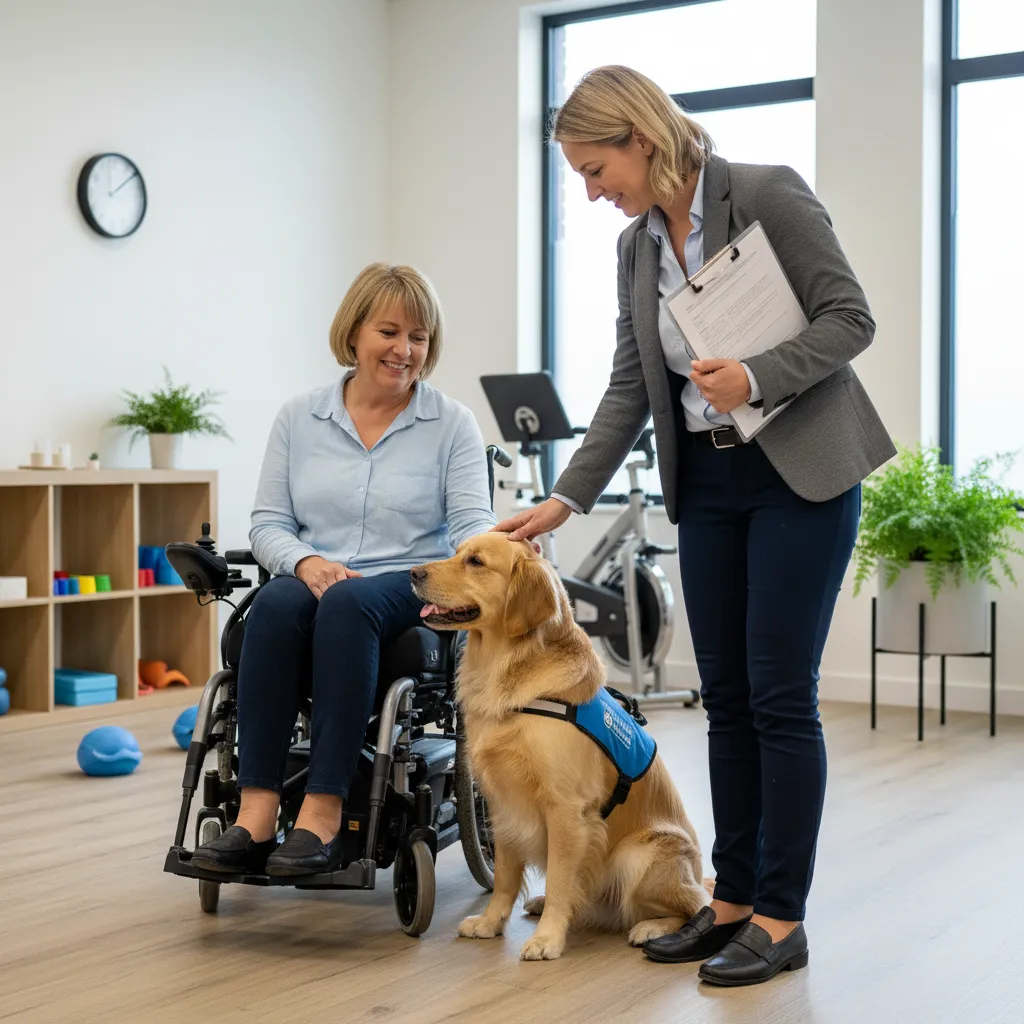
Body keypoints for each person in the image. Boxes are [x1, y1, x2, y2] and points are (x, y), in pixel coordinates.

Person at [495, 66, 895, 987]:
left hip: (798, 474)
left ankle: (783, 918)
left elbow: (851, 319)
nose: (594, 194)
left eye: (597, 170)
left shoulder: (764, 193)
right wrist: (564, 500)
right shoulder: (639, 247)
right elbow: (632, 386)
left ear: (640, 137)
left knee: (780, 695)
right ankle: (730, 902)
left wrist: (756, 376)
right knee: (728, 699)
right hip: (709, 484)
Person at [193, 263, 495, 878]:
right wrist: (304, 562)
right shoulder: (299, 418)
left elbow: (469, 525)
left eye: (419, 337)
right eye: (390, 331)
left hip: (408, 585)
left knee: (349, 604)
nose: (405, 350)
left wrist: (498, 550)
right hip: (314, 578)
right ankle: (256, 814)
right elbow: (268, 522)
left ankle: (323, 811)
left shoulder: (452, 424)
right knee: (275, 604)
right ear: (354, 332)